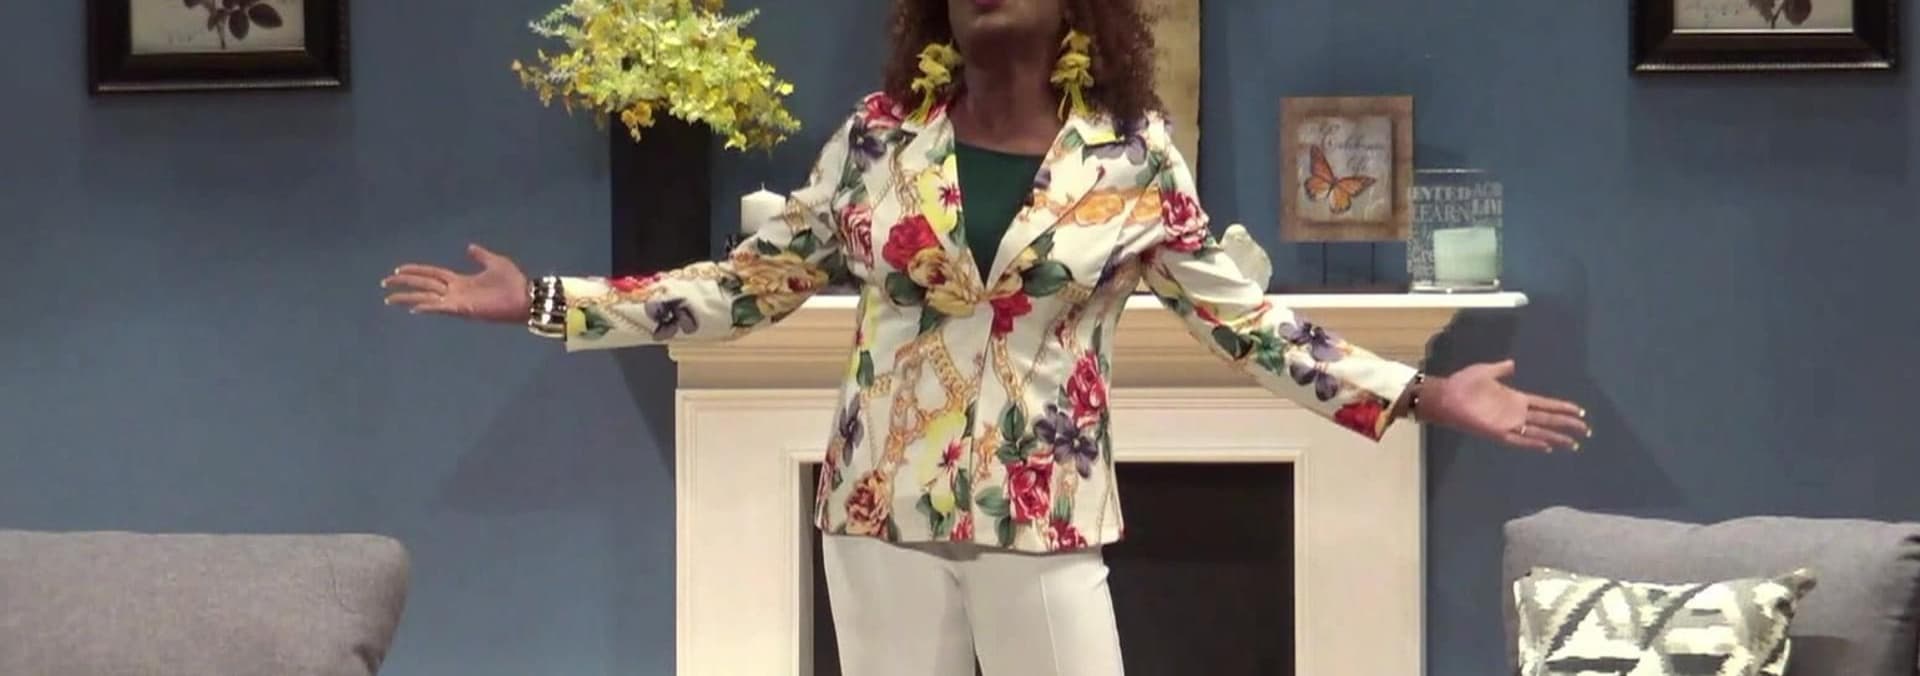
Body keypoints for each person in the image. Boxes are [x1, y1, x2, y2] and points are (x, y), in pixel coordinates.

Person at [383, 0, 1591, 673]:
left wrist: (1423, 393)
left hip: (1044, 516)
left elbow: (1247, 325)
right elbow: (743, 287)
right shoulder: (877, 141)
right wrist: (543, 300)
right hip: (879, 511)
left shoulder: (1132, 160)